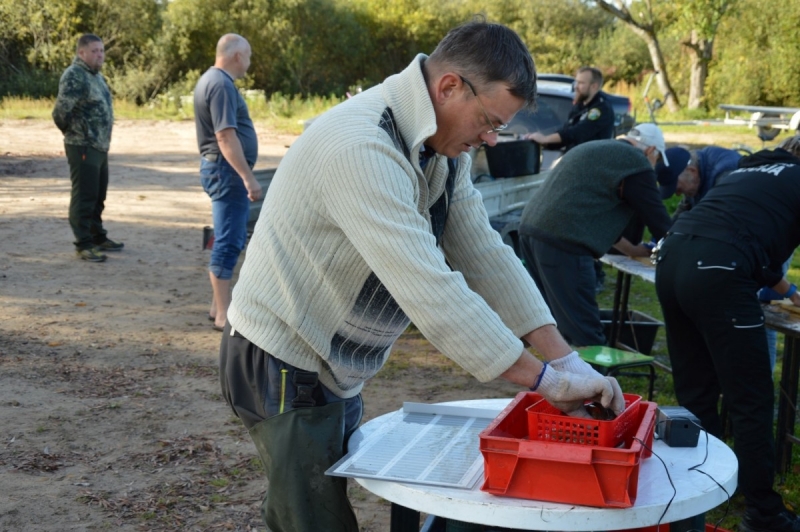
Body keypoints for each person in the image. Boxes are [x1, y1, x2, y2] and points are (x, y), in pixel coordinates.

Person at [218, 20, 625, 532]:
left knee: (318, 498)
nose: (492, 138)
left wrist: (567, 361)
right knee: (312, 518)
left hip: (335, 357)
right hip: (284, 358)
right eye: (489, 120)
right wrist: (544, 381)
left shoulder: (441, 144)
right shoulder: (361, 147)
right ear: (449, 86)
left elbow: (484, 253)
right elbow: (429, 287)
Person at [654, 135, 800, 532]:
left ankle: (698, 493)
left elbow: (733, 235)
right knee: (750, 399)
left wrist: (790, 292)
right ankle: (763, 515)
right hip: (718, 270)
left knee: (696, 392)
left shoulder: (749, 171)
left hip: (671, 259)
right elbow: (733, 245)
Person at [518, 124, 673, 347]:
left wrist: (630, 250)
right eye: (656, 161)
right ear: (651, 151)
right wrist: (679, 250)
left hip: (530, 229)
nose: (653, 168)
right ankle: (594, 381)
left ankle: (556, 377)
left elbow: (588, 211)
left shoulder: (599, 148)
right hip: (564, 241)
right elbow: (659, 220)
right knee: (583, 331)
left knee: (547, 320)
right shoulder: (636, 162)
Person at [193, 34, 262, 332]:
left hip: (221, 170)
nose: (249, 61)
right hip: (227, 172)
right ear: (237, 56)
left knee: (226, 236)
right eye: (247, 55)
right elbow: (225, 136)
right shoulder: (220, 84)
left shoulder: (212, 79)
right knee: (230, 241)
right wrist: (247, 177)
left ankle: (215, 307)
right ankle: (223, 315)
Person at [52, 34, 123, 262]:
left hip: (99, 146)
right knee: (84, 195)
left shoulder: (96, 76)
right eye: (94, 51)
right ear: (81, 52)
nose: (100, 55)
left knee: (98, 194)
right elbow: (60, 112)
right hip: (83, 145)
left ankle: (97, 236)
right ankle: (83, 243)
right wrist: (77, 134)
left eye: (101, 51)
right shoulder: (75, 75)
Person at [524, 66, 615, 151]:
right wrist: (543, 143)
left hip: (591, 163)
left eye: (581, 83)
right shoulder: (580, 106)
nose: (576, 86)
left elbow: (577, 133)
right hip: (575, 159)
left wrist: (546, 139)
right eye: (576, 82)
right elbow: (566, 132)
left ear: (594, 86)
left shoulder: (601, 109)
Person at [656, 145, 741, 219]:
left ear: (692, 170)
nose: (678, 194)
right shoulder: (696, 173)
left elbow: (716, 221)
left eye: (677, 188)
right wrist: (666, 233)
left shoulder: (726, 177)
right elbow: (684, 208)